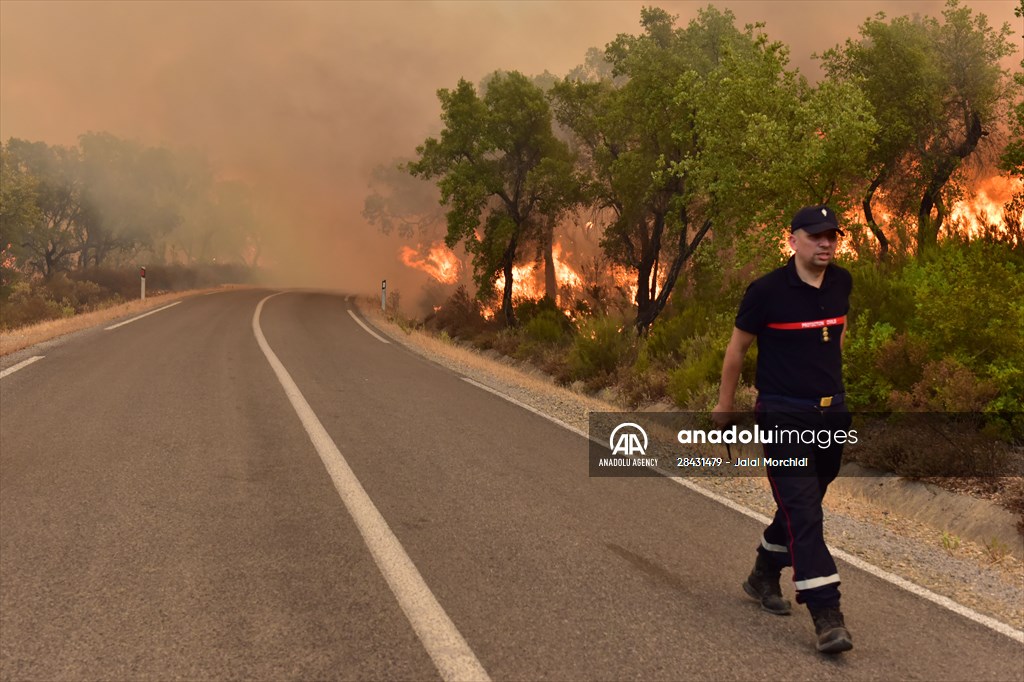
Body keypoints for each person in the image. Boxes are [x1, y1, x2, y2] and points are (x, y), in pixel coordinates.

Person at [712, 204, 854, 654]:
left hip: (830, 415)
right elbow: (736, 351)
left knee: (802, 503)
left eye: (832, 235)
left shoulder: (842, 282)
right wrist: (724, 405)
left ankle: (762, 573)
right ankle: (827, 613)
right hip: (782, 415)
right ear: (792, 240)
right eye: (816, 235)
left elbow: (838, 336)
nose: (826, 242)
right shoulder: (766, 291)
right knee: (806, 512)